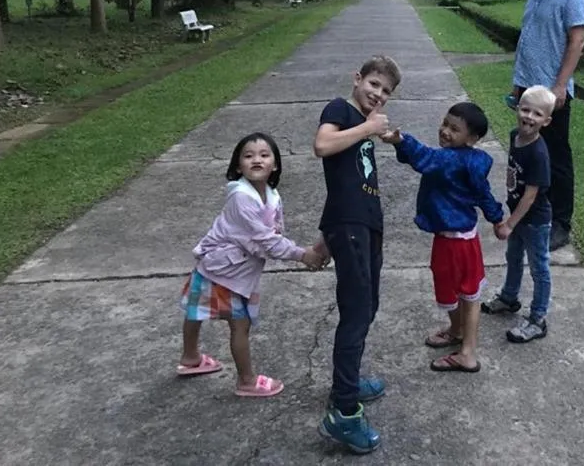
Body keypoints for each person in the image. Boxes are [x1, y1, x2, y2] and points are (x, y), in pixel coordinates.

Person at [177, 132, 328, 397]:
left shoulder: (270, 194)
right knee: (240, 324)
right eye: (248, 156)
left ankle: (190, 358)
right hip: (226, 271)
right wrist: (303, 254)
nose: (256, 159)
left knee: (195, 309)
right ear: (238, 166)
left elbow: (273, 233)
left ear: (275, 165)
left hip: (219, 265)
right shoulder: (242, 198)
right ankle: (246, 380)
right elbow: (266, 239)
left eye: (264, 155)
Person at [314, 55, 401, 455]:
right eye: (374, 85)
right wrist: (367, 126)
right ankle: (344, 411)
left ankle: (346, 382)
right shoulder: (340, 109)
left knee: (367, 308)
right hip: (349, 226)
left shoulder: (364, 124)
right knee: (355, 311)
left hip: (364, 226)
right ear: (357, 79)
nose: (377, 94)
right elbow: (322, 145)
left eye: (385, 92)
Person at [381, 102, 504, 374]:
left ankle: (467, 353)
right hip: (465, 238)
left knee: (459, 293)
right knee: (467, 291)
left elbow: (425, 157)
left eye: (454, 129)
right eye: (445, 124)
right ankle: (458, 332)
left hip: (452, 242)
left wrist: (401, 141)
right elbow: (484, 195)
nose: (445, 131)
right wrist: (497, 219)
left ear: (471, 138)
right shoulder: (472, 160)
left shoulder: (449, 159)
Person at [509, 0, 584, 251]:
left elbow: (577, 41)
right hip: (528, 89)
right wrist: (518, 84)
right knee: (531, 156)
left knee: (556, 157)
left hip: (551, 95)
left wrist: (559, 87)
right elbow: (529, 41)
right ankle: (537, 212)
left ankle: (561, 223)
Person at [482, 86, 555, 343]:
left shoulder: (538, 153)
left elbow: (531, 195)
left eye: (537, 114)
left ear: (546, 121)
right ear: (516, 108)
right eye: (525, 109)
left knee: (539, 268)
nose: (529, 117)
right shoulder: (515, 136)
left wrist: (509, 224)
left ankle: (537, 319)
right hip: (518, 216)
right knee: (513, 258)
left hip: (534, 221)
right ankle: (509, 297)